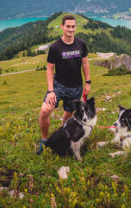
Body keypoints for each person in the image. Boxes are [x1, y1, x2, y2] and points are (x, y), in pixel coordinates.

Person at [36, 14, 91, 155]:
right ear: (62, 27)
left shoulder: (81, 43)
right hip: (58, 86)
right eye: (68, 26)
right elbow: (49, 68)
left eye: (73, 26)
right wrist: (51, 91)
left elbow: (85, 63)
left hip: (76, 88)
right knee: (45, 110)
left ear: (75, 27)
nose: (70, 29)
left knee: (68, 114)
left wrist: (88, 82)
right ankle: (44, 140)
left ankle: (62, 136)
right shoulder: (55, 47)